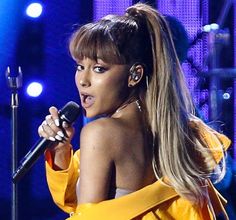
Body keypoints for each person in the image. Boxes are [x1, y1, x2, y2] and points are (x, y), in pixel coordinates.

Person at [38, 3, 231, 220]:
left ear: (135, 75)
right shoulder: (182, 131)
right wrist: (62, 150)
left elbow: (88, 216)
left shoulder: (101, 133)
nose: (83, 80)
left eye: (99, 68)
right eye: (80, 66)